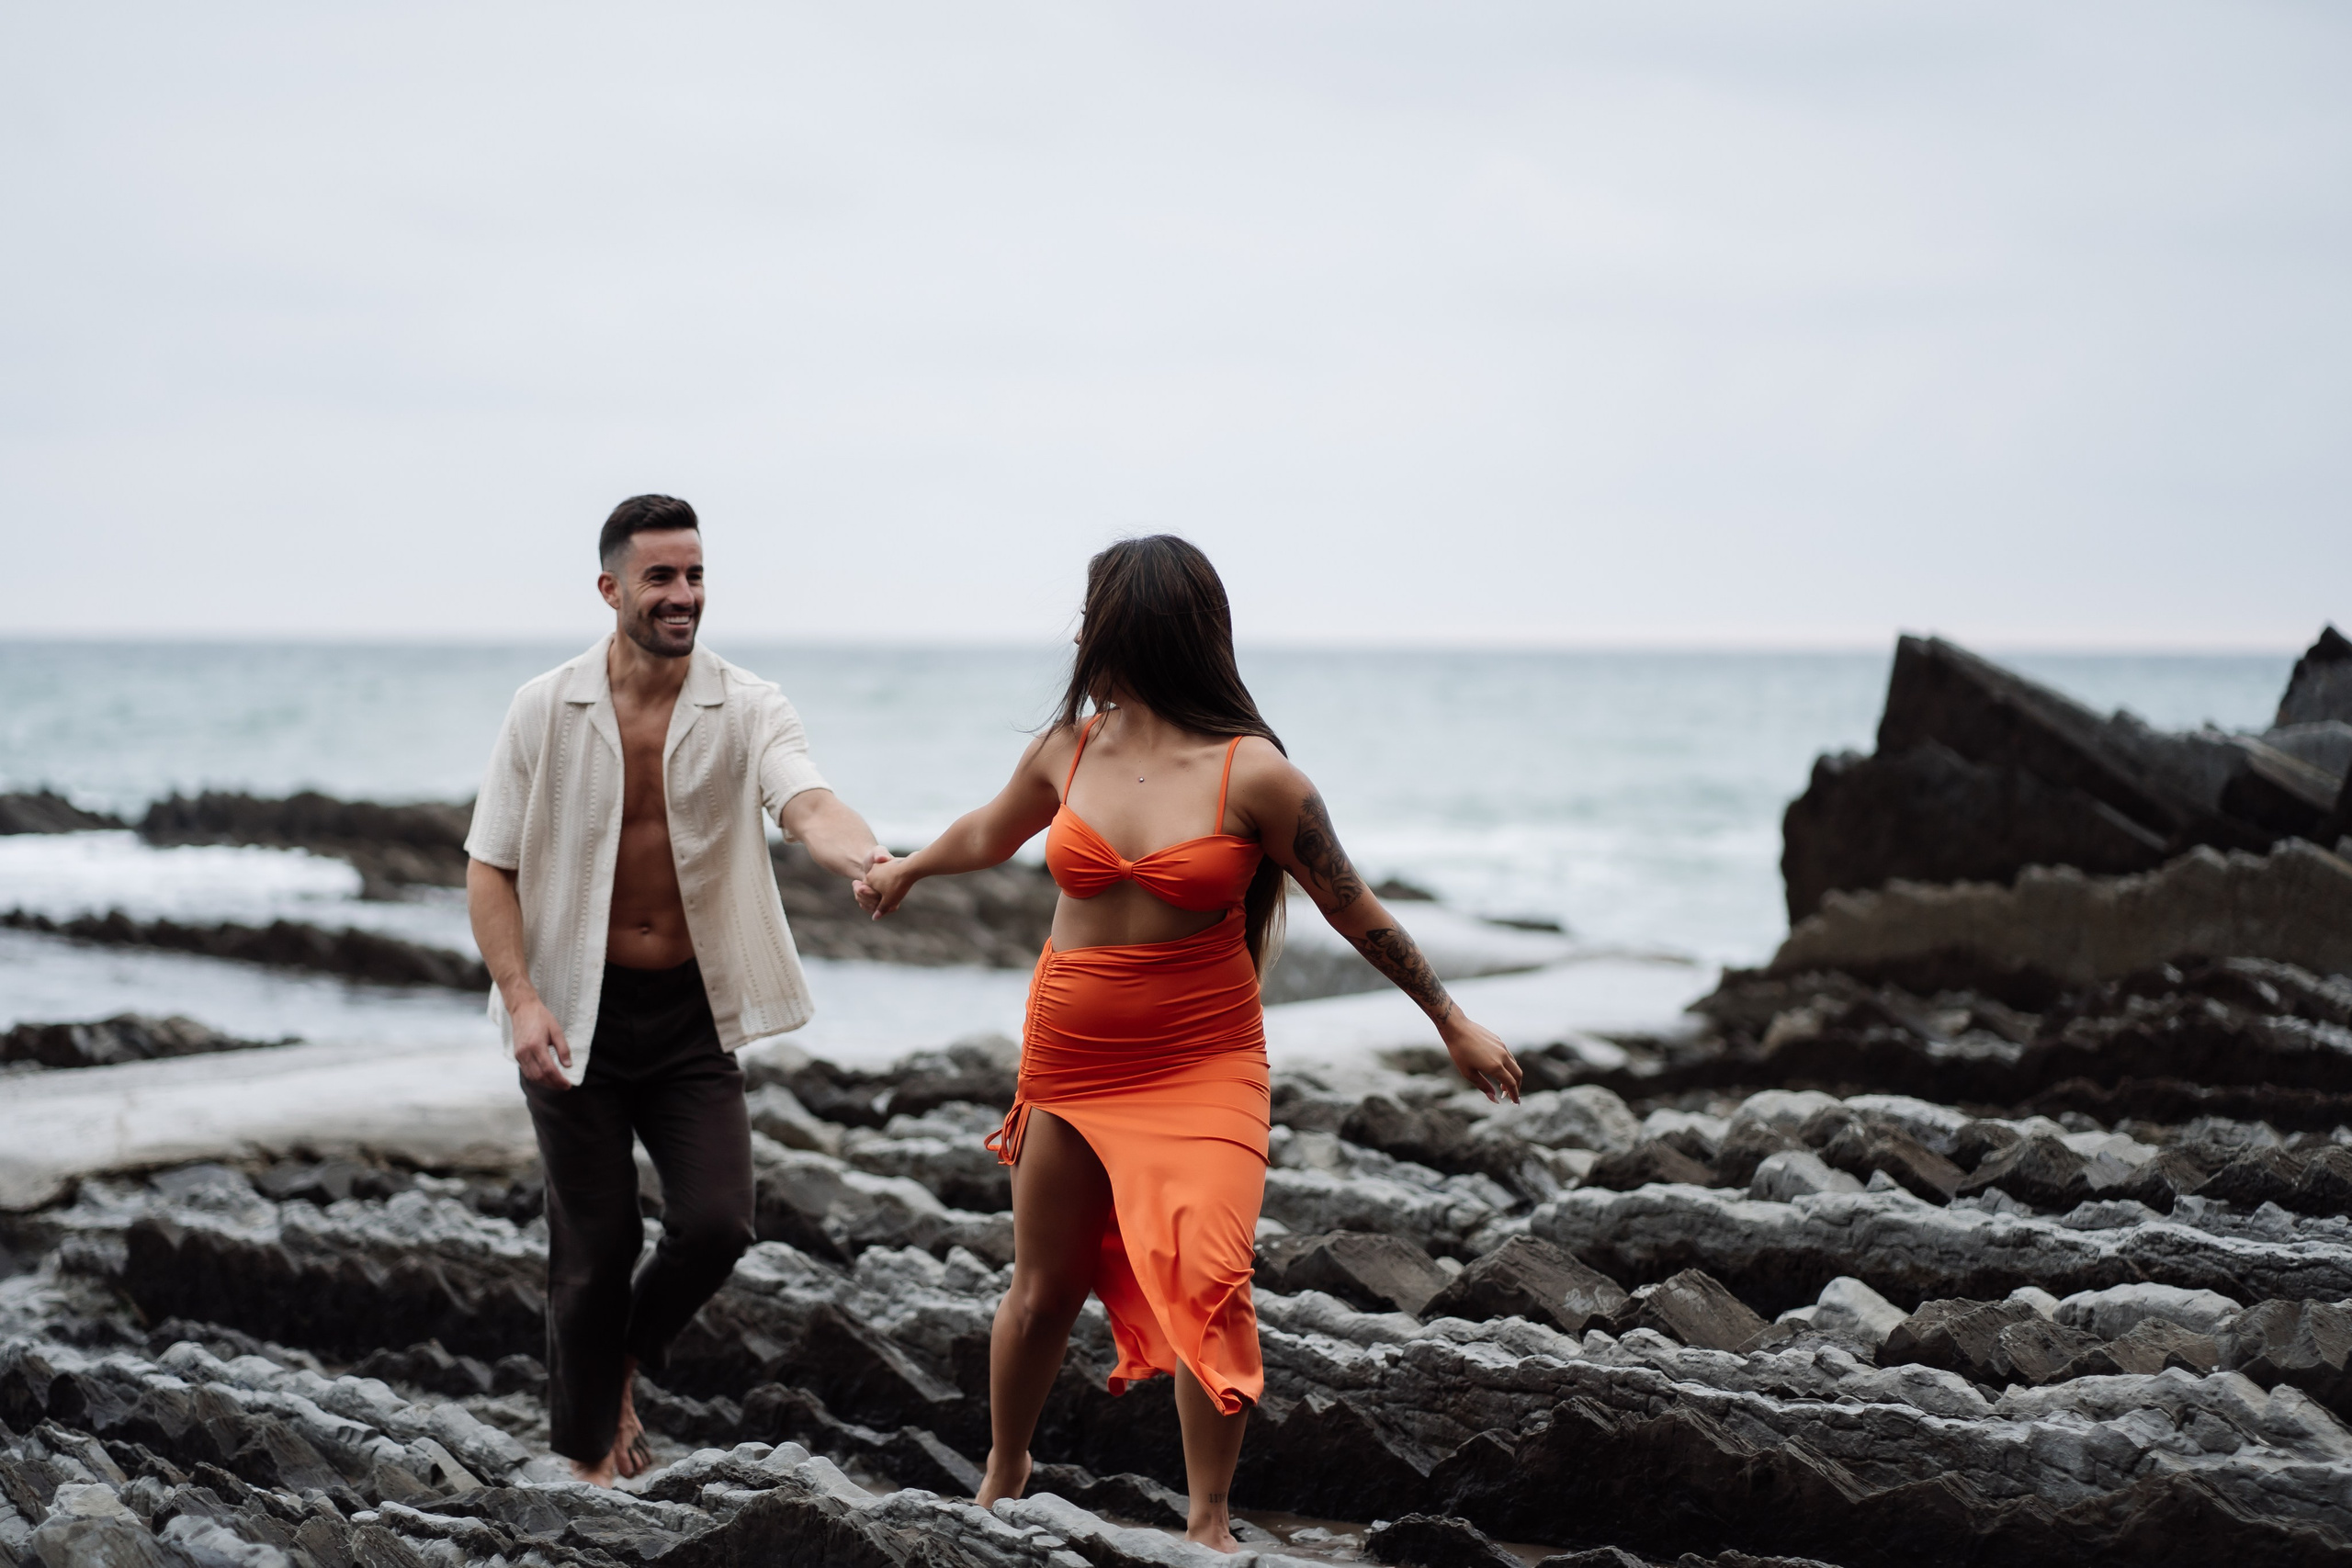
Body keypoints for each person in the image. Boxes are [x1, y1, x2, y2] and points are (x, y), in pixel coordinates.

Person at [856, 535, 1521, 1551]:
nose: (1078, 636)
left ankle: (1207, 1520)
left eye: (1094, 618)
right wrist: (908, 868)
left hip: (1202, 1062)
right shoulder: (1066, 750)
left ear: (1140, 631)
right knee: (1041, 1292)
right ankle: (1005, 1469)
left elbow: (1354, 909)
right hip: (1070, 1060)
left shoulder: (1258, 777)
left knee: (1212, 1276)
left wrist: (1451, 1020)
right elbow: (992, 833)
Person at [464, 494, 887, 1486]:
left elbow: (804, 797)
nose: (683, 595)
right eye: (661, 577)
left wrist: (863, 856)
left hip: (692, 1013)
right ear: (611, 588)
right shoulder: (545, 707)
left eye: (695, 575)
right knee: (596, 1247)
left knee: (716, 1223)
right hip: (573, 1009)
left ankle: (617, 1363)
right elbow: (490, 867)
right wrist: (522, 997)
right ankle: (588, 1464)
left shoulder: (747, 705)